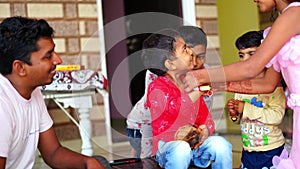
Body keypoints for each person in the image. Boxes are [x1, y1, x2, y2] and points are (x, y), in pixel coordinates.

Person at [183, 1, 300, 168]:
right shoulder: (282, 23)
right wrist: (220, 86)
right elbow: (268, 84)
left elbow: (251, 67)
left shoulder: (295, 13)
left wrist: (202, 75)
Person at [0, 16, 108, 169]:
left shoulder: (33, 91)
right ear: (20, 68)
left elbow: (53, 152)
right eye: (48, 56)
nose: (58, 60)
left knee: (99, 162)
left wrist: (89, 162)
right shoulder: (2, 106)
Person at [143, 28, 232, 169]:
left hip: (195, 147)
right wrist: (198, 92)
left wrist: (206, 129)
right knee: (181, 148)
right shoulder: (157, 87)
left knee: (221, 145)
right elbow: (174, 108)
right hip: (168, 147)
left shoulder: (188, 83)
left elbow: (205, 116)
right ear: (170, 64)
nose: (191, 52)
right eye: (185, 49)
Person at [125, 26, 213, 158]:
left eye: (200, 56)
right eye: (186, 51)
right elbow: (157, 113)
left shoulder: (204, 74)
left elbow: (203, 109)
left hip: (176, 130)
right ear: (170, 62)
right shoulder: (157, 76)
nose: (195, 62)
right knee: (144, 159)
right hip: (141, 125)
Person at [227, 30, 286, 169]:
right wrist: (235, 114)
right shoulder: (242, 86)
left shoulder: (274, 86)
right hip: (248, 150)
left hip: (271, 151)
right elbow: (241, 118)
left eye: (252, 54)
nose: (246, 59)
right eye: (241, 55)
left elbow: (277, 116)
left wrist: (245, 108)